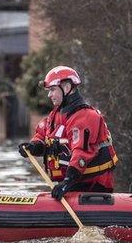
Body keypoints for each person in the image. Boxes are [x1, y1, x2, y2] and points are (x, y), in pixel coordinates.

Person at [19, 66, 117, 200]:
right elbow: (43, 135)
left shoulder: (85, 116)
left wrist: (67, 182)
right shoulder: (57, 115)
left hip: (92, 186)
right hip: (72, 185)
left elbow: (81, 152)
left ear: (66, 87)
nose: (49, 95)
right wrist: (33, 146)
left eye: (52, 90)